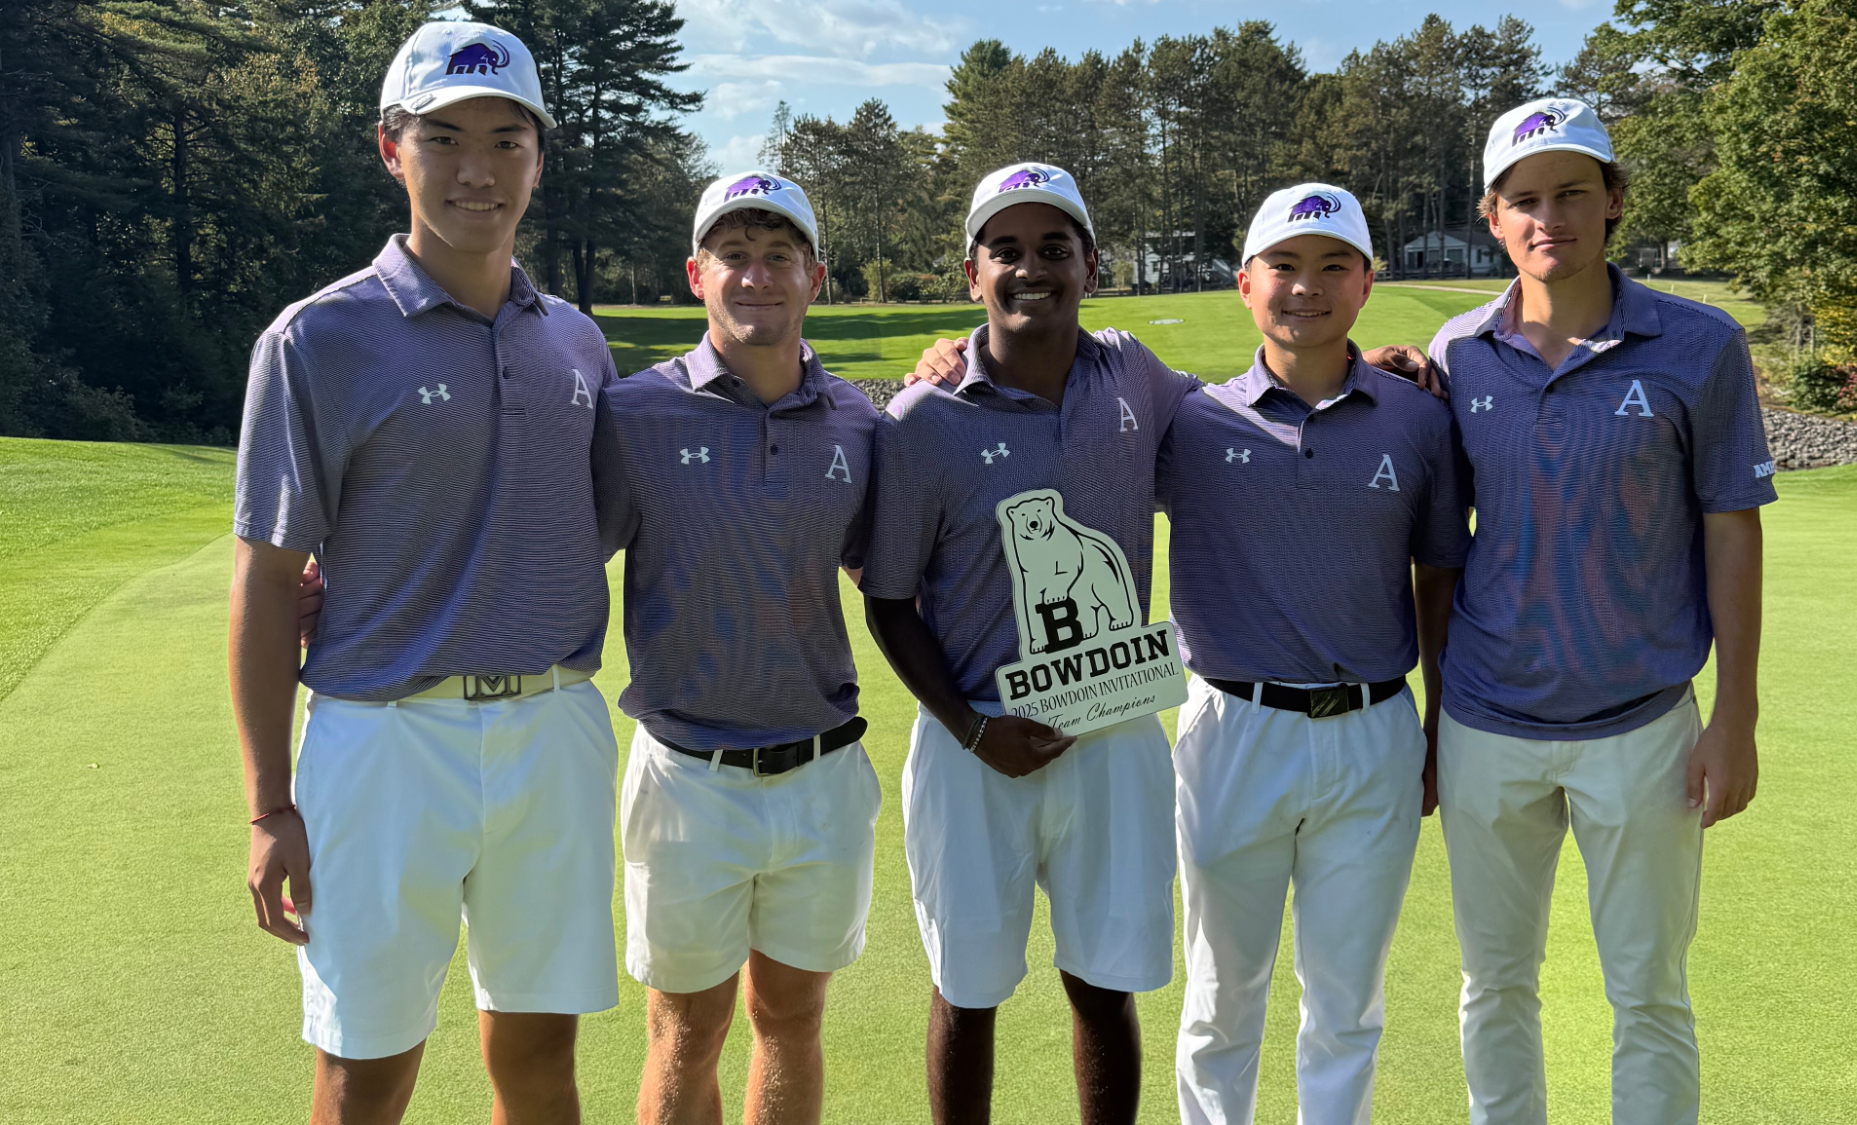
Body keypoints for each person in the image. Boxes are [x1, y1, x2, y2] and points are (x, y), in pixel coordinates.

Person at [230, 21, 618, 1124]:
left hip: (552, 730)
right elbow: (267, 579)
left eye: (505, 139)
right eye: (442, 137)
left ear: (539, 157)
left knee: (540, 1060)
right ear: (390, 149)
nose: (476, 171)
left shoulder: (577, 345)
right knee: (364, 1069)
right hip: (382, 742)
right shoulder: (316, 339)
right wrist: (268, 807)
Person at [1426, 97, 1773, 1125]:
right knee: (1492, 985)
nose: (1549, 219)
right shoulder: (1455, 353)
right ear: (1491, 217)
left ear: (1613, 200)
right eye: (1523, 199)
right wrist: (1433, 717)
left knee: (1648, 994)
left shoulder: (1698, 345)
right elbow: (1438, 553)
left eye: (1571, 193)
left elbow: (1731, 529)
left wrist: (1737, 717)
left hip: (1642, 727)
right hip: (1485, 722)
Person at [861, 163, 1199, 1125]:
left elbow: (1244, 408)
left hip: (1114, 732)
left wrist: (1372, 362)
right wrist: (972, 728)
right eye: (1005, 250)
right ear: (973, 275)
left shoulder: (1133, 372)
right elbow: (890, 601)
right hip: (975, 745)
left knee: (1104, 984)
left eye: (1055, 248)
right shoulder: (923, 419)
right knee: (967, 987)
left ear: (1091, 264)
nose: (1031, 268)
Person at [1158, 184, 1468, 1125]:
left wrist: (1438, 726)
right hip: (1231, 729)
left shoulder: (1418, 421)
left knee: (1346, 1004)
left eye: (1334, 265)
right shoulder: (1189, 419)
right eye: (1285, 267)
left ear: (1367, 283)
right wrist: (952, 351)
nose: (1307, 287)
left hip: (1372, 732)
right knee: (1220, 998)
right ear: (1246, 284)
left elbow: (1439, 581)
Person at [594, 171, 880, 1125]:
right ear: (696, 275)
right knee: (686, 1029)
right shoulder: (632, 415)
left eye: (779, 256)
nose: (757, 276)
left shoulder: (860, 422)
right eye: (734, 256)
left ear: (815, 277)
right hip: (687, 776)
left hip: (822, 771)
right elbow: (538, 547)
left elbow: (909, 569)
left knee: (793, 1017)